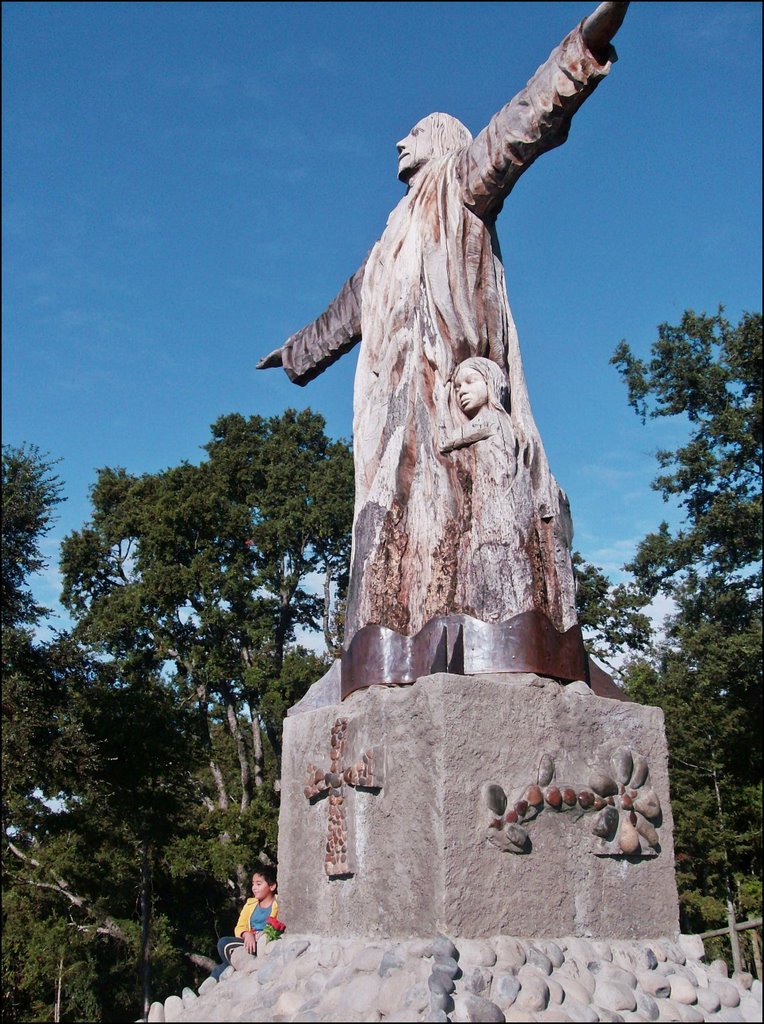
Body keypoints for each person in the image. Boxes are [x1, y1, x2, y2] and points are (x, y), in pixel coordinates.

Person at [257, 4, 629, 686]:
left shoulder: (461, 185)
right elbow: (344, 313)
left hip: (454, 404)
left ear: (443, 141)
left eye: (414, 132)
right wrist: (294, 352)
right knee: (391, 523)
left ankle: (496, 644)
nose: (399, 141)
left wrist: (586, 43)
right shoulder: (387, 245)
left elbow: (529, 118)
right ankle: (388, 651)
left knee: (463, 516)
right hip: (392, 411)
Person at [210, 865, 280, 981]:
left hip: (264, 944)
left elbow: (278, 925)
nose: (254, 888)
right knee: (223, 943)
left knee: (222, 967)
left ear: (272, 886)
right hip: (248, 944)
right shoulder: (250, 904)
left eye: (258, 884)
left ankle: (243, 969)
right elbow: (240, 926)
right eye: (253, 884)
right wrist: (247, 934)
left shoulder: (279, 903)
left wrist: (264, 934)